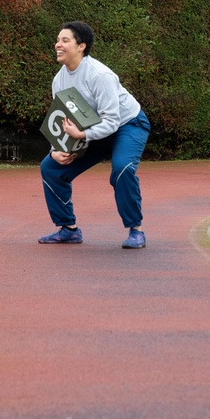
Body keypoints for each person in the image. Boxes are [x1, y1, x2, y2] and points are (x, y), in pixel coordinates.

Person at [38, 21, 151, 249]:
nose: (57, 45)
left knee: (121, 169)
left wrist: (81, 134)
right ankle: (68, 229)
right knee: (50, 167)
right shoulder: (59, 81)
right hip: (90, 132)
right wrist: (56, 149)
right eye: (57, 40)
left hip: (128, 124)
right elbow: (62, 123)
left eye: (65, 40)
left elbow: (112, 121)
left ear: (81, 46)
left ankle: (135, 230)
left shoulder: (99, 75)